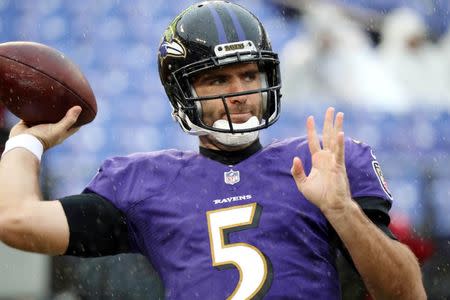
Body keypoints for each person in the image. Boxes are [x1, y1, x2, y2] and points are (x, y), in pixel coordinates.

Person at [0, 1, 426, 299]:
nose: (239, 93)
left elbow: (406, 292)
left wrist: (342, 211)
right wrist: (27, 140)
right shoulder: (144, 184)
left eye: (247, 75)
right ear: (182, 92)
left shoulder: (322, 163)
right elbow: (15, 220)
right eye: (218, 80)